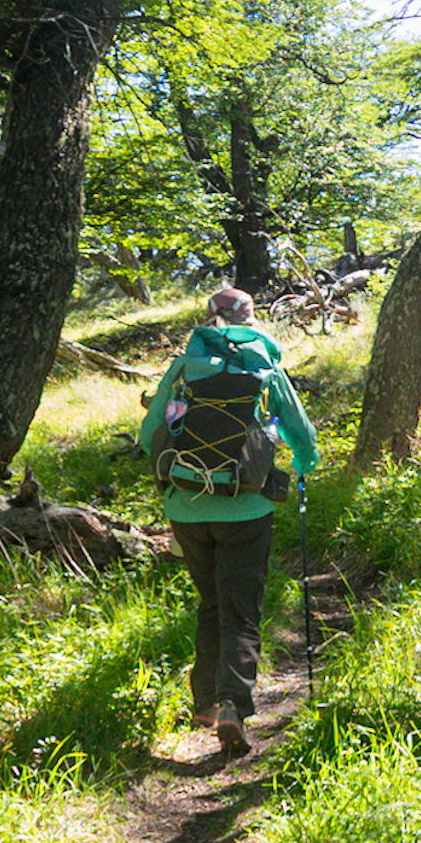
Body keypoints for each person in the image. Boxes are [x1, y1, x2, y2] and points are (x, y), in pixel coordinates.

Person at [141, 287, 317, 754]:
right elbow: (301, 434)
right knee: (241, 610)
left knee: (212, 603)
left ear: (207, 321)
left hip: (186, 508)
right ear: (251, 321)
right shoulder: (266, 368)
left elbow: (149, 433)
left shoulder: (184, 368)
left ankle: (204, 702)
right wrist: (303, 465)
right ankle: (232, 706)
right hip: (246, 508)